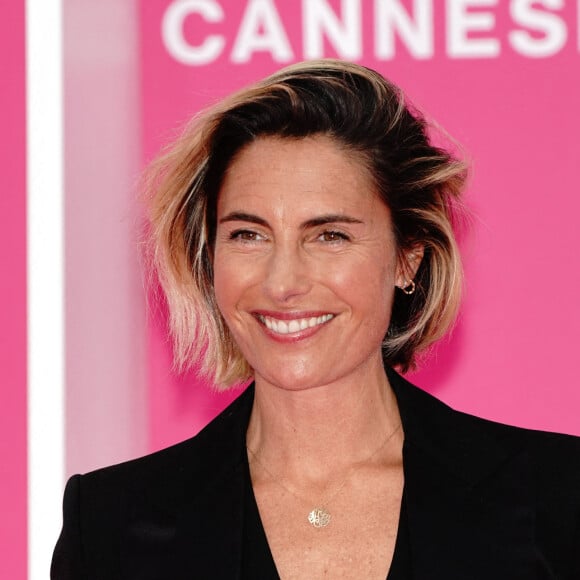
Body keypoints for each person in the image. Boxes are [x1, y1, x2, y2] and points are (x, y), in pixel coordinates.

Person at [51, 60, 580, 579]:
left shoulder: (557, 496)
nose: (283, 283)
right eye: (248, 235)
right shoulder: (108, 527)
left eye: (329, 236)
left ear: (407, 257)